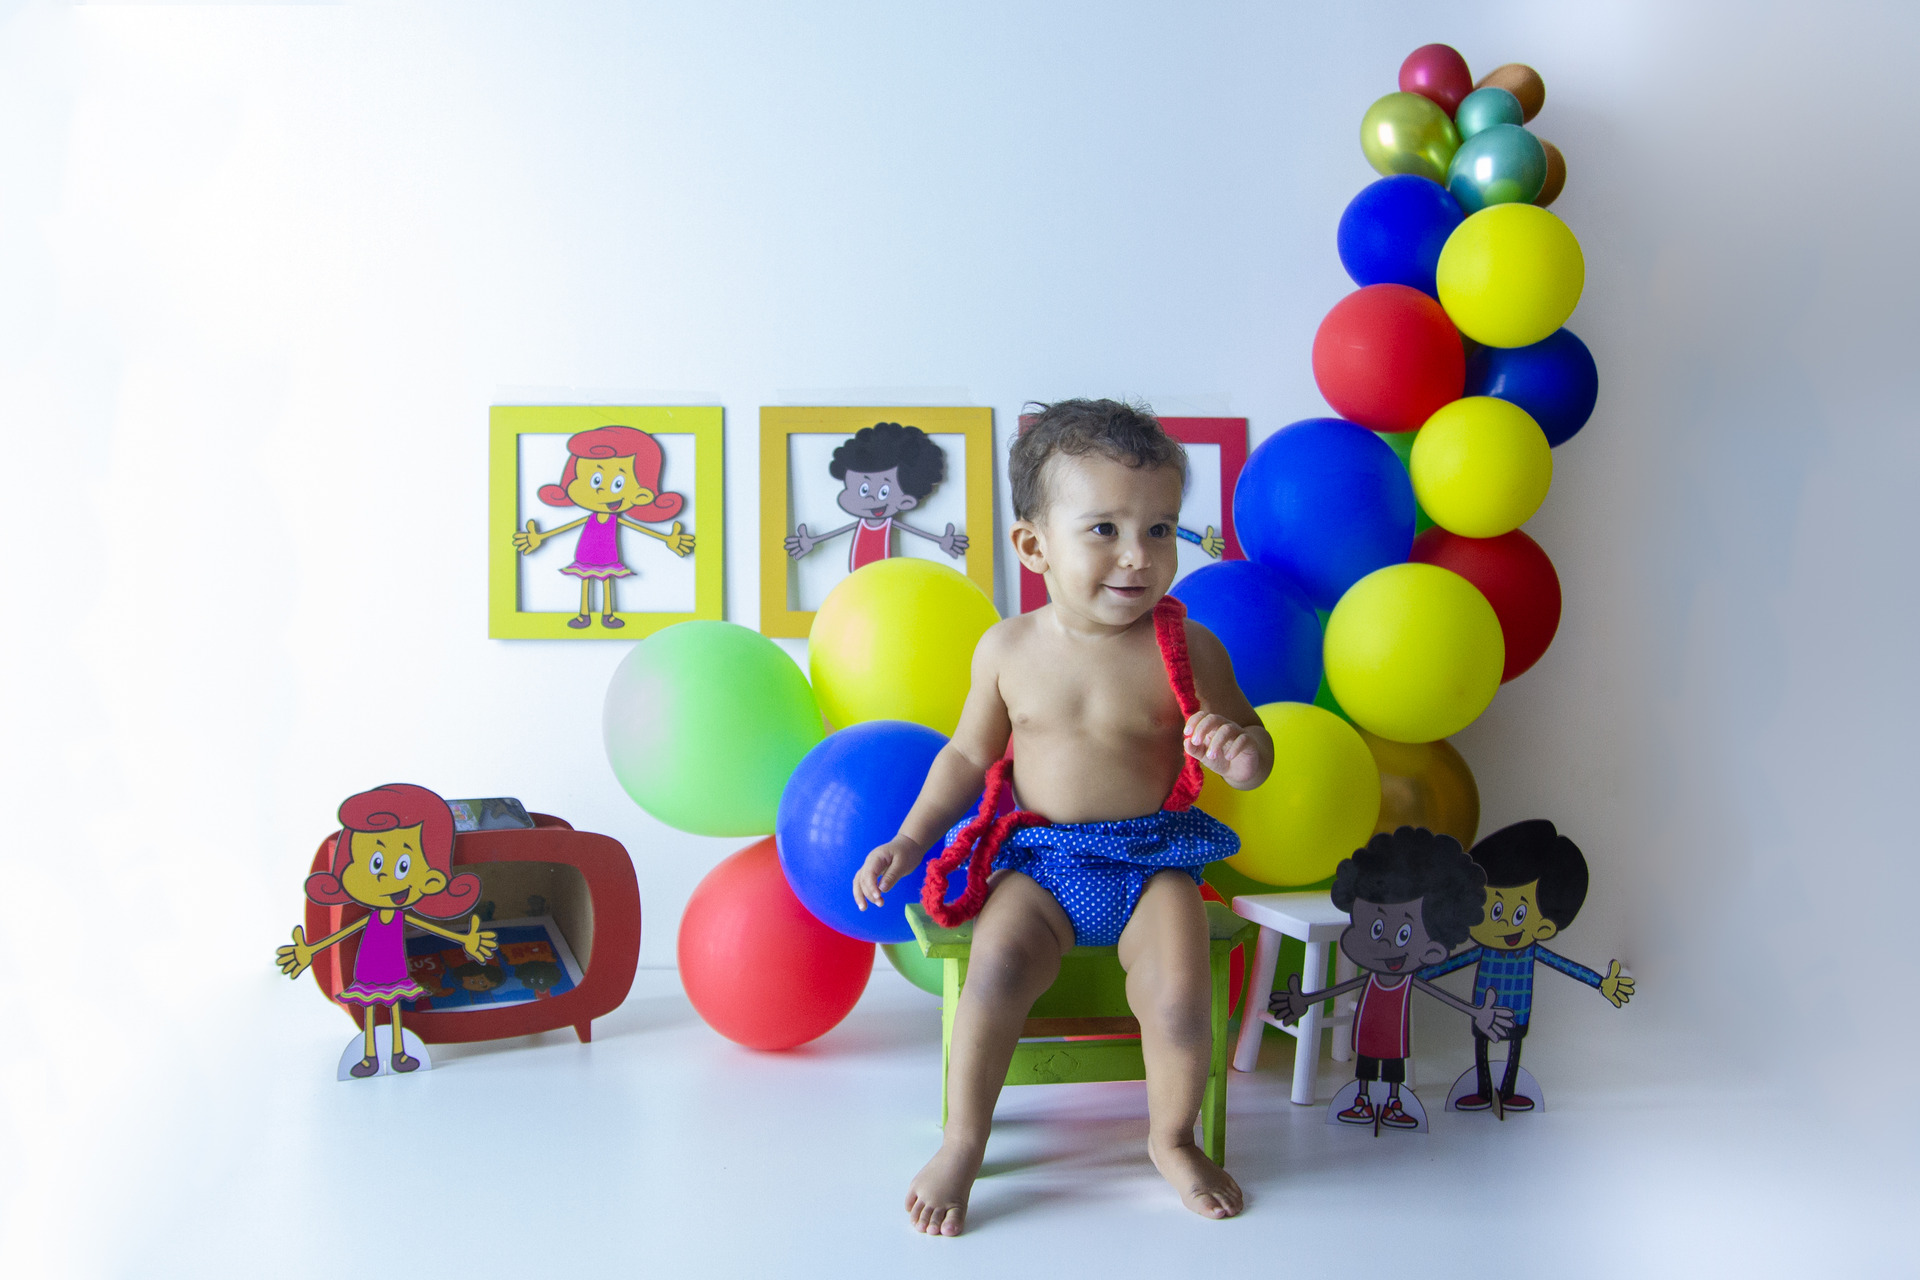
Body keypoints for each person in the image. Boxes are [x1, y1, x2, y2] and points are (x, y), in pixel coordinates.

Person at [852, 399, 1273, 1234]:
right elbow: (966, 758)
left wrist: (1240, 751)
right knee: (996, 969)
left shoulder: (1191, 650)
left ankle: (1171, 1137)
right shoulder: (1008, 650)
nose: (1138, 555)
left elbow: (1255, 750)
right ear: (1033, 544)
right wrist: (911, 836)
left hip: (1152, 861)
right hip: (1044, 863)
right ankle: (965, 1140)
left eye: (1160, 529)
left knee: (1182, 992)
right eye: (1105, 529)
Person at [1270, 827, 1515, 1130]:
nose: (1387, 943)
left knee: (1394, 1071)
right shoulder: (1373, 975)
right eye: (1375, 929)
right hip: (1368, 1032)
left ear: (1434, 949)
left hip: (1395, 1037)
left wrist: (1476, 1012)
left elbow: (1439, 995)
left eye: (1403, 934)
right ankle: (1362, 1101)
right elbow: (1342, 988)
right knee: (1365, 1067)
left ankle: (1394, 1105)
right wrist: (1305, 1000)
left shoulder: (1408, 979)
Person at [277, 783, 497, 1077]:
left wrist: (464, 939)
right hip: (369, 967)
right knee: (371, 1009)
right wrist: (311, 950)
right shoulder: (376, 914)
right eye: (376, 863)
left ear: (431, 878)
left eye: (404, 866)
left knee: (394, 1007)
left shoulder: (398, 914)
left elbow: (425, 925)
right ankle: (369, 1057)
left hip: (394, 969)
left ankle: (398, 1053)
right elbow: (343, 933)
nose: (384, 877)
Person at [1416, 819, 1634, 1112]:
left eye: (1520, 913)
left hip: (1517, 1008)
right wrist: (1416, 976)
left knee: (1514, 1048)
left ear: (1545, 926)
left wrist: (1601, 982)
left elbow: (1563, 965)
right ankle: (1483, 1091)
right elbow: (1453, 962)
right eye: (1494, 910)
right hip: (1483, 1009)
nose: (1506, 922)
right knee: (1482, 1045)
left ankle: (1508, 1092)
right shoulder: (1485, 951)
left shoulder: (1530, 951)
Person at [512, 425, 695, 630]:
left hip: (608, 554)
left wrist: (668, 539)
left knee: (606, 579)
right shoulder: (592, 517)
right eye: (596, 480)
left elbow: (638, 528)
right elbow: (568, 526)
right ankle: (584, 614)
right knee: (586, 580)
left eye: (618, 483)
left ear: (641, 494)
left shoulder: (614, 519)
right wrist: (541, 537)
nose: (601, 490)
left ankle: (608, 614)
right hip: (586, 552)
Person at [784, 421, 969, 569]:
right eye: (863, 490)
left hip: (881, 575)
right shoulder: (863, 521)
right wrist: (812, 541)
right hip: (858, 573)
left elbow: (914, 531)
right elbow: (839, 532)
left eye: (883, 492)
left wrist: (941, 540)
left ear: (905, 502)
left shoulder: (888, 521)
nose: (871, 499)